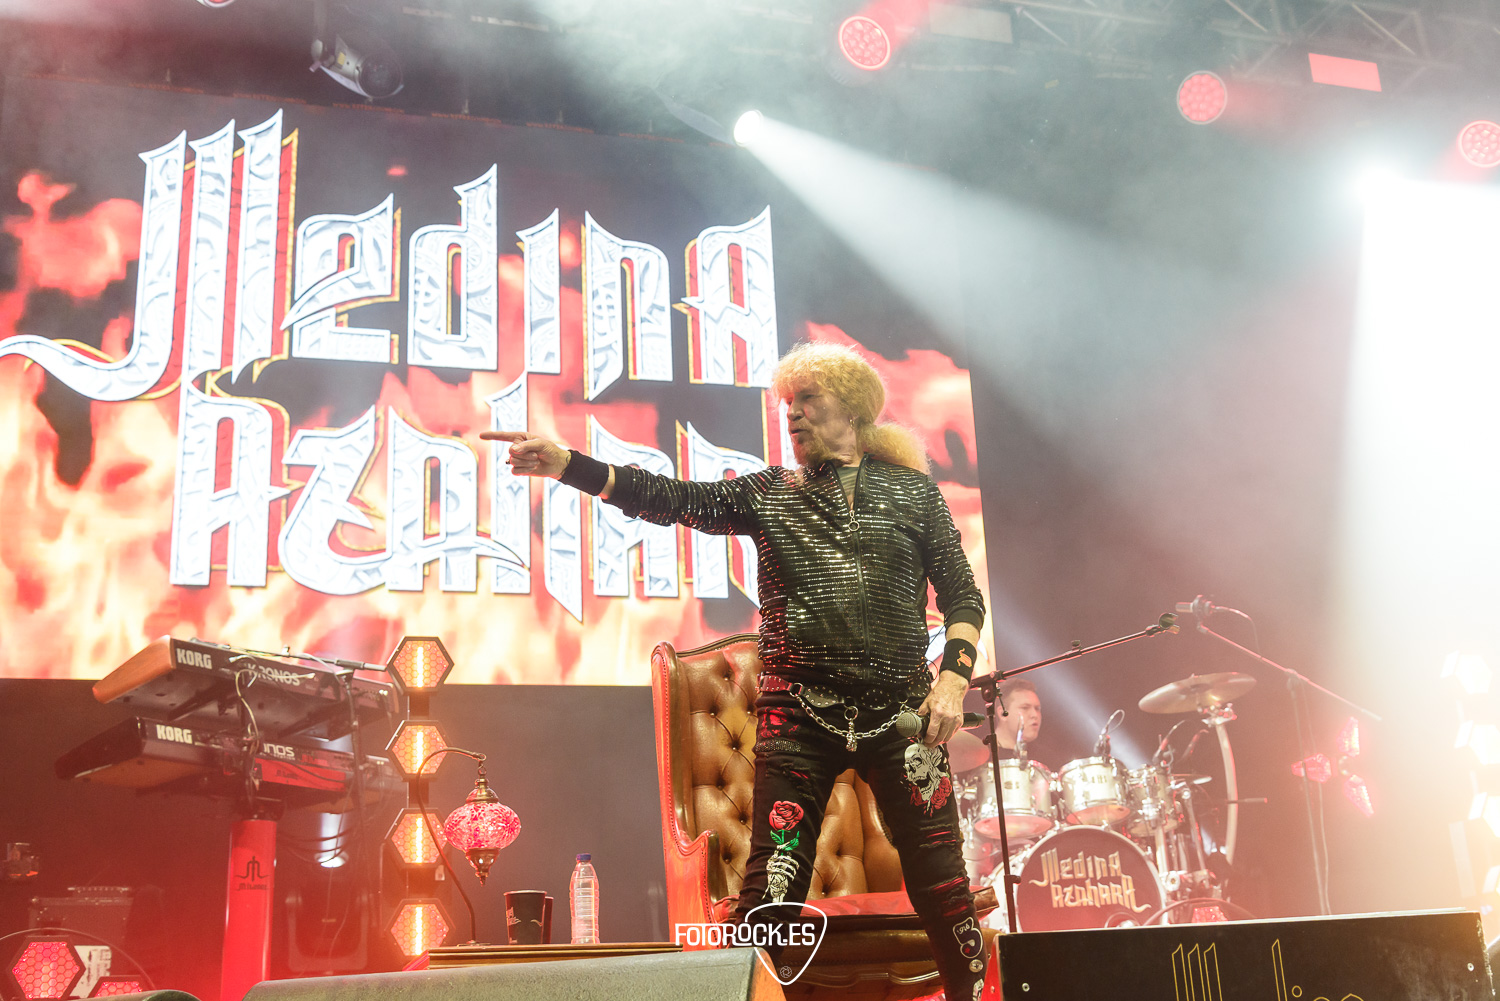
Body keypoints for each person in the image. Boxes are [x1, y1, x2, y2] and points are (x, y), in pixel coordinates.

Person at [484, 342, 988, 1000]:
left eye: (807, 400)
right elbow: (668, 497)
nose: (792, 414)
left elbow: (964, 596)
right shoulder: (769, 491)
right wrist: (567, 464)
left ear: (851, 406)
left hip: (901, 716)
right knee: (771, 892)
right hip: (800, 716)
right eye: (787, 404)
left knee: (945, 886)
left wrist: (952, 679)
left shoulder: (913, 492)